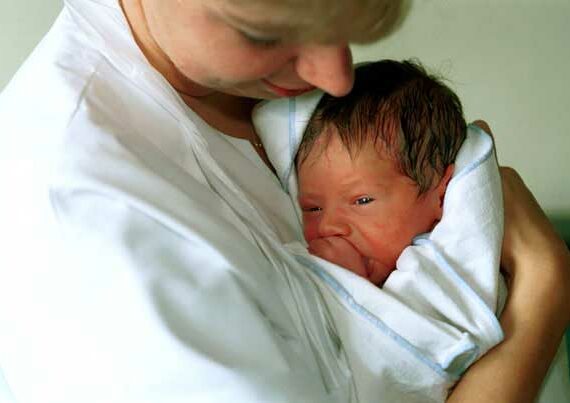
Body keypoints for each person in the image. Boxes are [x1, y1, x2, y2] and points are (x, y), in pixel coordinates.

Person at [0, 0, 568, 402]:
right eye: (264, 34)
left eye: (343, 23)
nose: (336, 76)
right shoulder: (81, 222)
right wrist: (542, 296)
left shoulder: (258, 104)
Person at [296, 59, 466, 285]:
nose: (327, 226)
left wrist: (348, 284)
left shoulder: (450, 269)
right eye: (313, 208)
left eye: (362, 200)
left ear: (442, 195)